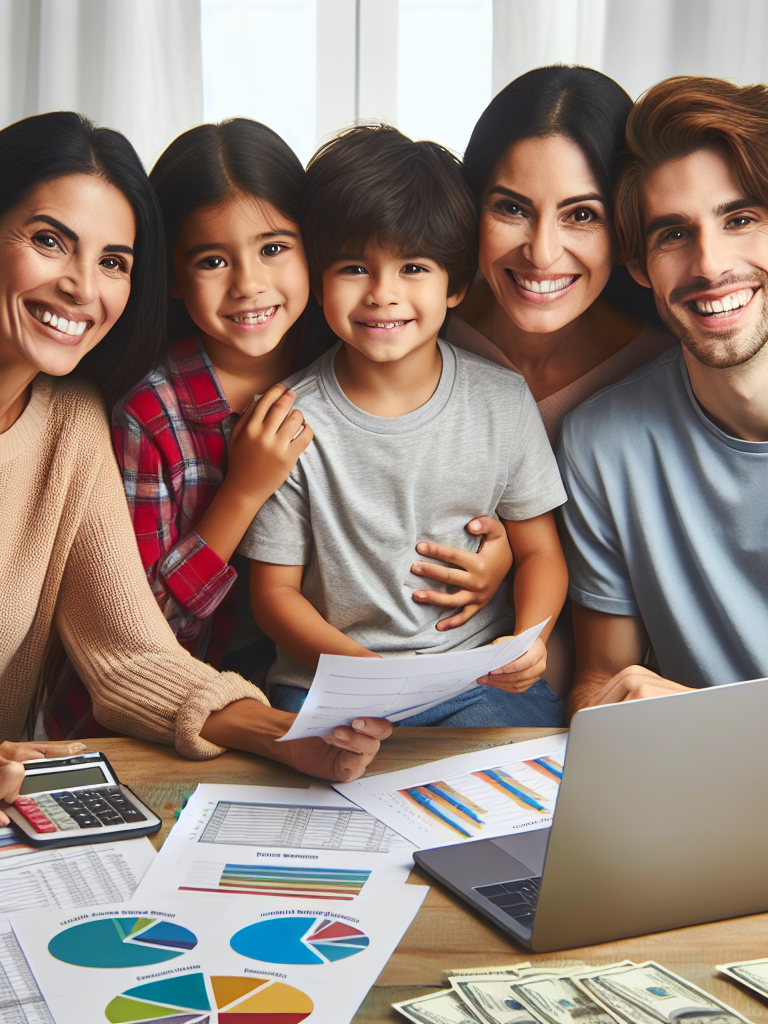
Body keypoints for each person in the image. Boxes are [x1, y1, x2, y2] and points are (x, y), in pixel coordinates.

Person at [0, 111, 391, 823]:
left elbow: (129, 654)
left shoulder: (69, 422)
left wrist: (285, 736)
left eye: (112, 262)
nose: (83, 287)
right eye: (50, 242)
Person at [46, 118, 516, 736]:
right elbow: (141, 631)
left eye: (273, 249)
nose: (249, 285)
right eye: (213, 260)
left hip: (304, 682)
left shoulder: (360, 352)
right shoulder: (151, 414)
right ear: (174, 278)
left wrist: (496, 554)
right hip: (171, 709)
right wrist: (243, 490)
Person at [554, 76, 768, 713]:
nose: (709, 263)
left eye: (741, 219)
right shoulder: (602, 445)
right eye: (673, 233)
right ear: (640, 266)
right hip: (697, 796)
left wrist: (720, 721)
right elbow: (597, 679)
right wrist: (611, 710)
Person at [239, 125, 569, 727]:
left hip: (473, 679)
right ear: (318, 281)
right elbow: (274, 595)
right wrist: (369, 676)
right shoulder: (288, 418)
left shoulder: (500, 399)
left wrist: (528, 639)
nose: (382, 294)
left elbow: (541, 549)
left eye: (413, 267)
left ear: (457, 285)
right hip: (335, 683)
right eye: (354, 268)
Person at [445, 66, 675, 693]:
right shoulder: (413, 327)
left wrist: (521, 566)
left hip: (575, 694)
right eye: (512, 208)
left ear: (625, 223)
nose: (542, 253)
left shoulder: (668, 368)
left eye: (581, 215)